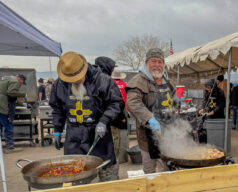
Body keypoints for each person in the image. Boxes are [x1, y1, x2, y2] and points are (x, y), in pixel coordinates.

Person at [50, 51, 123, 182]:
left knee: (108, 175)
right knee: (75, 176)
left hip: (99, 135)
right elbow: (57, 108)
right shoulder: (60, 84)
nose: (75, 82)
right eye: (71, 80)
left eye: (78, 78)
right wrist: (57, 129)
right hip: (74, 136)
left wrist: (104, 121)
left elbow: (116, 103)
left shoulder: (102, 80)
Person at [126, 48, 175, 174]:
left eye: (160, 62)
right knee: (150, 168)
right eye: (154, 61)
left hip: (168, 131)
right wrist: (149, 118)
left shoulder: (168, 81)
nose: (157, 65)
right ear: (147, 63)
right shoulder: (138, 81)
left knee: (169, 164)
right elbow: (133, 103)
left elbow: (174, 99)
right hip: (148, 133)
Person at [0, 74, 26, 153]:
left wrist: (19, 102)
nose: (21, 85)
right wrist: (22, 95)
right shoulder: (15, 81)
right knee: (9, 125)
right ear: (21, 80)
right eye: (22, 83)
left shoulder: (7, 79)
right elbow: (11, 93)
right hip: (3, 105)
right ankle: (10, 147)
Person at [110, 69, 129, 163]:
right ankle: (123, 158)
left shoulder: (109, 85)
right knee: (123, 136)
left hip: (111, 113)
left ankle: (114, 156)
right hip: (122, 112)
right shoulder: (125, 85)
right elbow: (128, 99)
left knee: (114, 137)